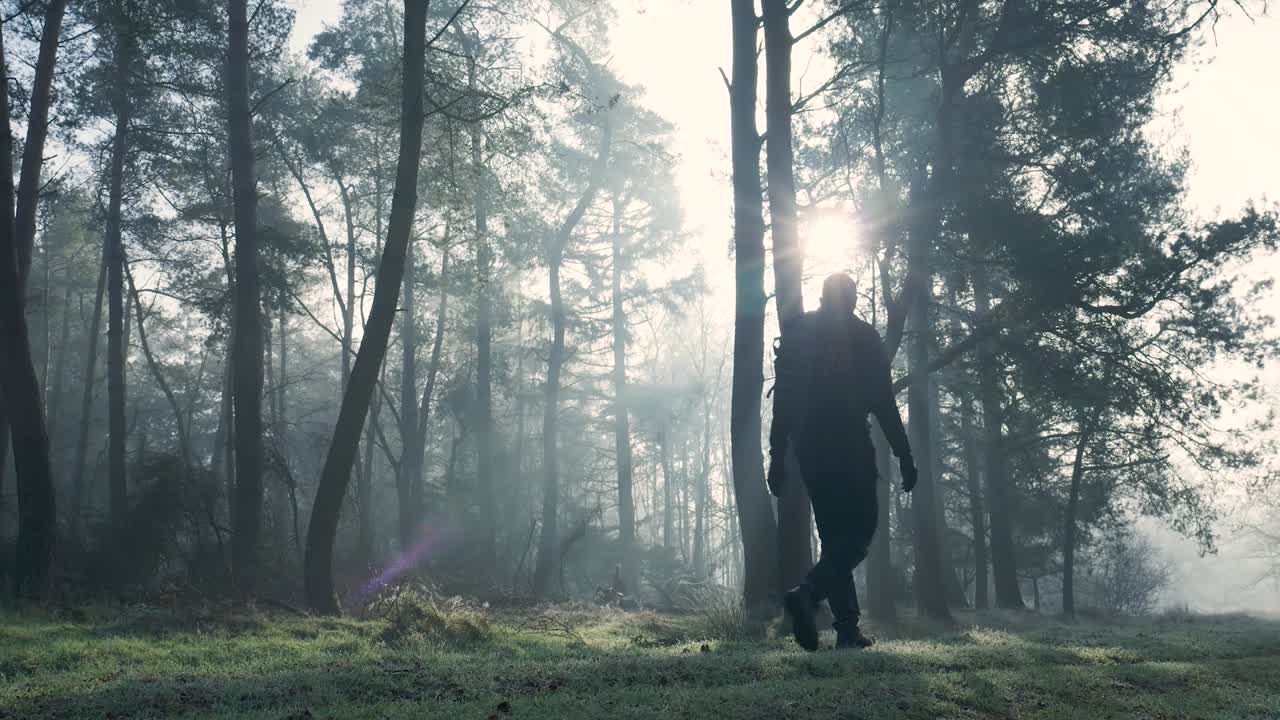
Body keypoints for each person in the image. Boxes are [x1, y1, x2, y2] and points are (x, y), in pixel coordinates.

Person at [767, 272, 918, 651]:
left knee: (835, 537)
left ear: (821, 297)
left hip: (811, 451)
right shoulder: (865, 337)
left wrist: (776, 457)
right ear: (851, 299)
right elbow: (883, 401)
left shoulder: (799, 334)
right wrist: (904, 453)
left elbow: (782, 403)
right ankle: (810, 593)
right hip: (849, 444)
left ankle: (847, 630)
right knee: (861, 529)